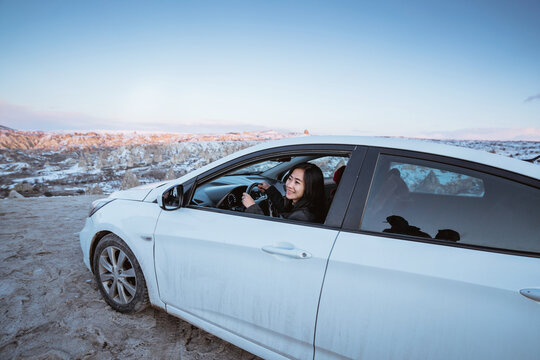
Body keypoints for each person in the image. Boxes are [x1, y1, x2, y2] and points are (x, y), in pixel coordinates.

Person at [241, 162, 326, 223]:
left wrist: (253, 208)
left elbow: (272, 235)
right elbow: (284, 209)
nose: (289, 185)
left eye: (297, 182)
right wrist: (269, 189)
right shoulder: (306, 205)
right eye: (290, 178)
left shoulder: (302, 217)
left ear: (309, 187)